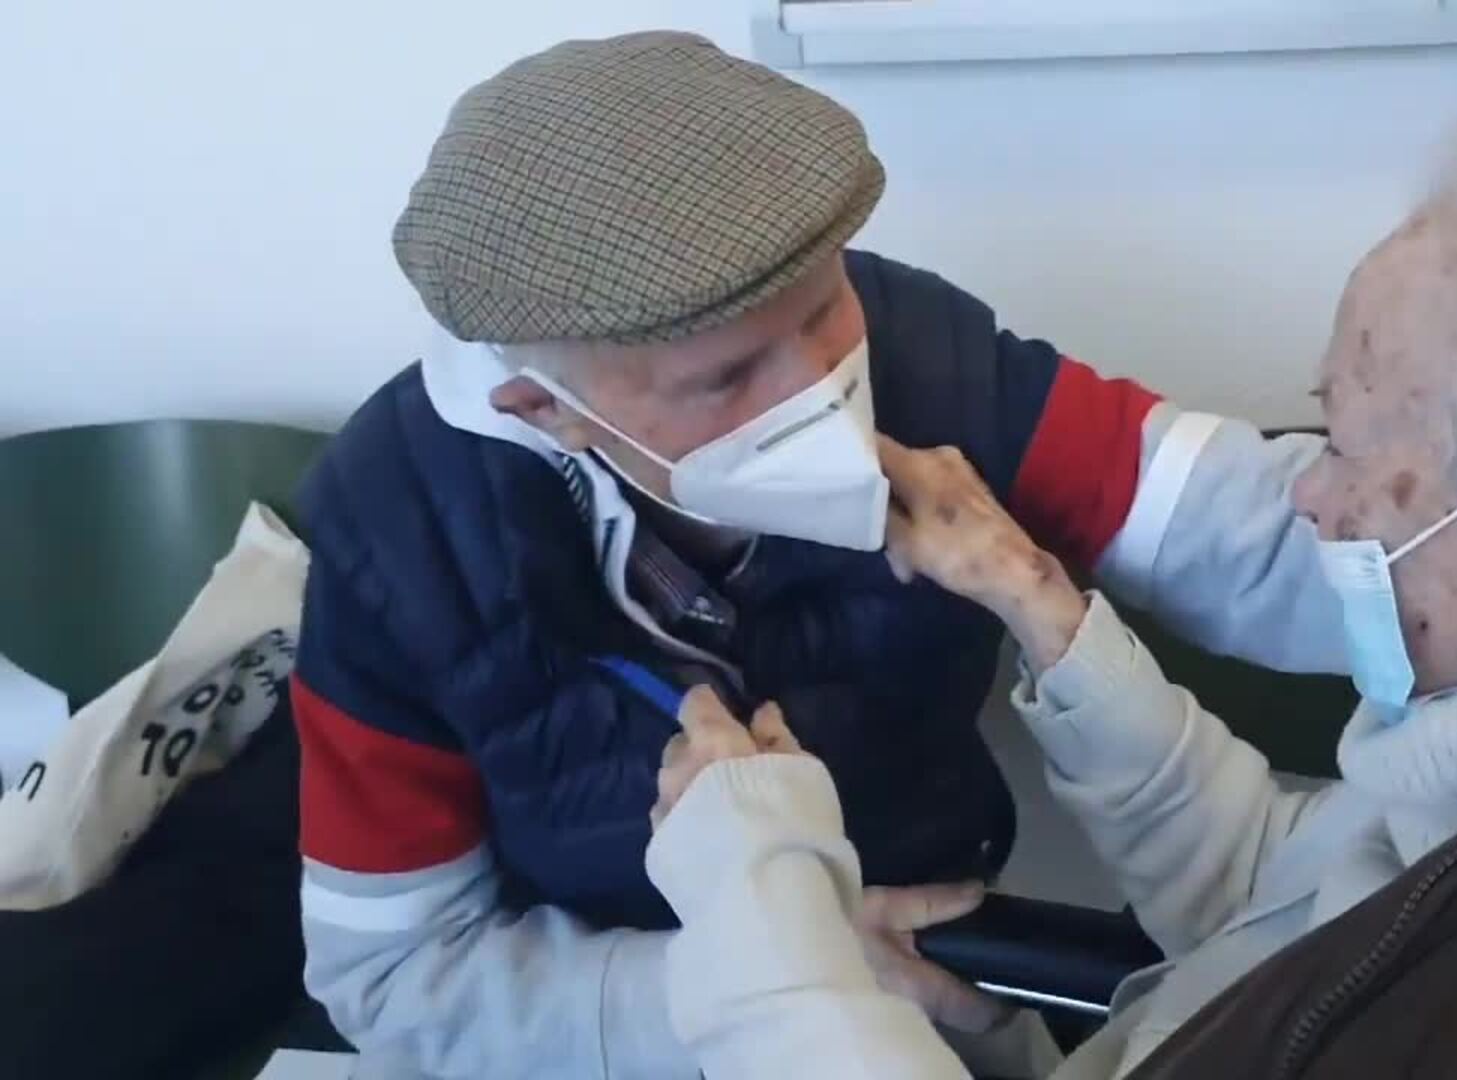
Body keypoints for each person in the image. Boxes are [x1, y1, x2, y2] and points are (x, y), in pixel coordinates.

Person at [640, 77, 1457, 1078]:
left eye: (1351, 445)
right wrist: (1047, 610)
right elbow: (1292, 892)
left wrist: (762, 931)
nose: (1307, 490)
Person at [288, 31, 1348, 1079]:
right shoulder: (398, 532)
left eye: (827, 305)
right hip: (594, 1045)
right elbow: (398, 972)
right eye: (731, 376)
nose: (822, 384)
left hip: (932, 1002)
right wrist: (759, 985)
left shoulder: (934, 357)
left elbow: (1250, 529)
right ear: (545, 410)